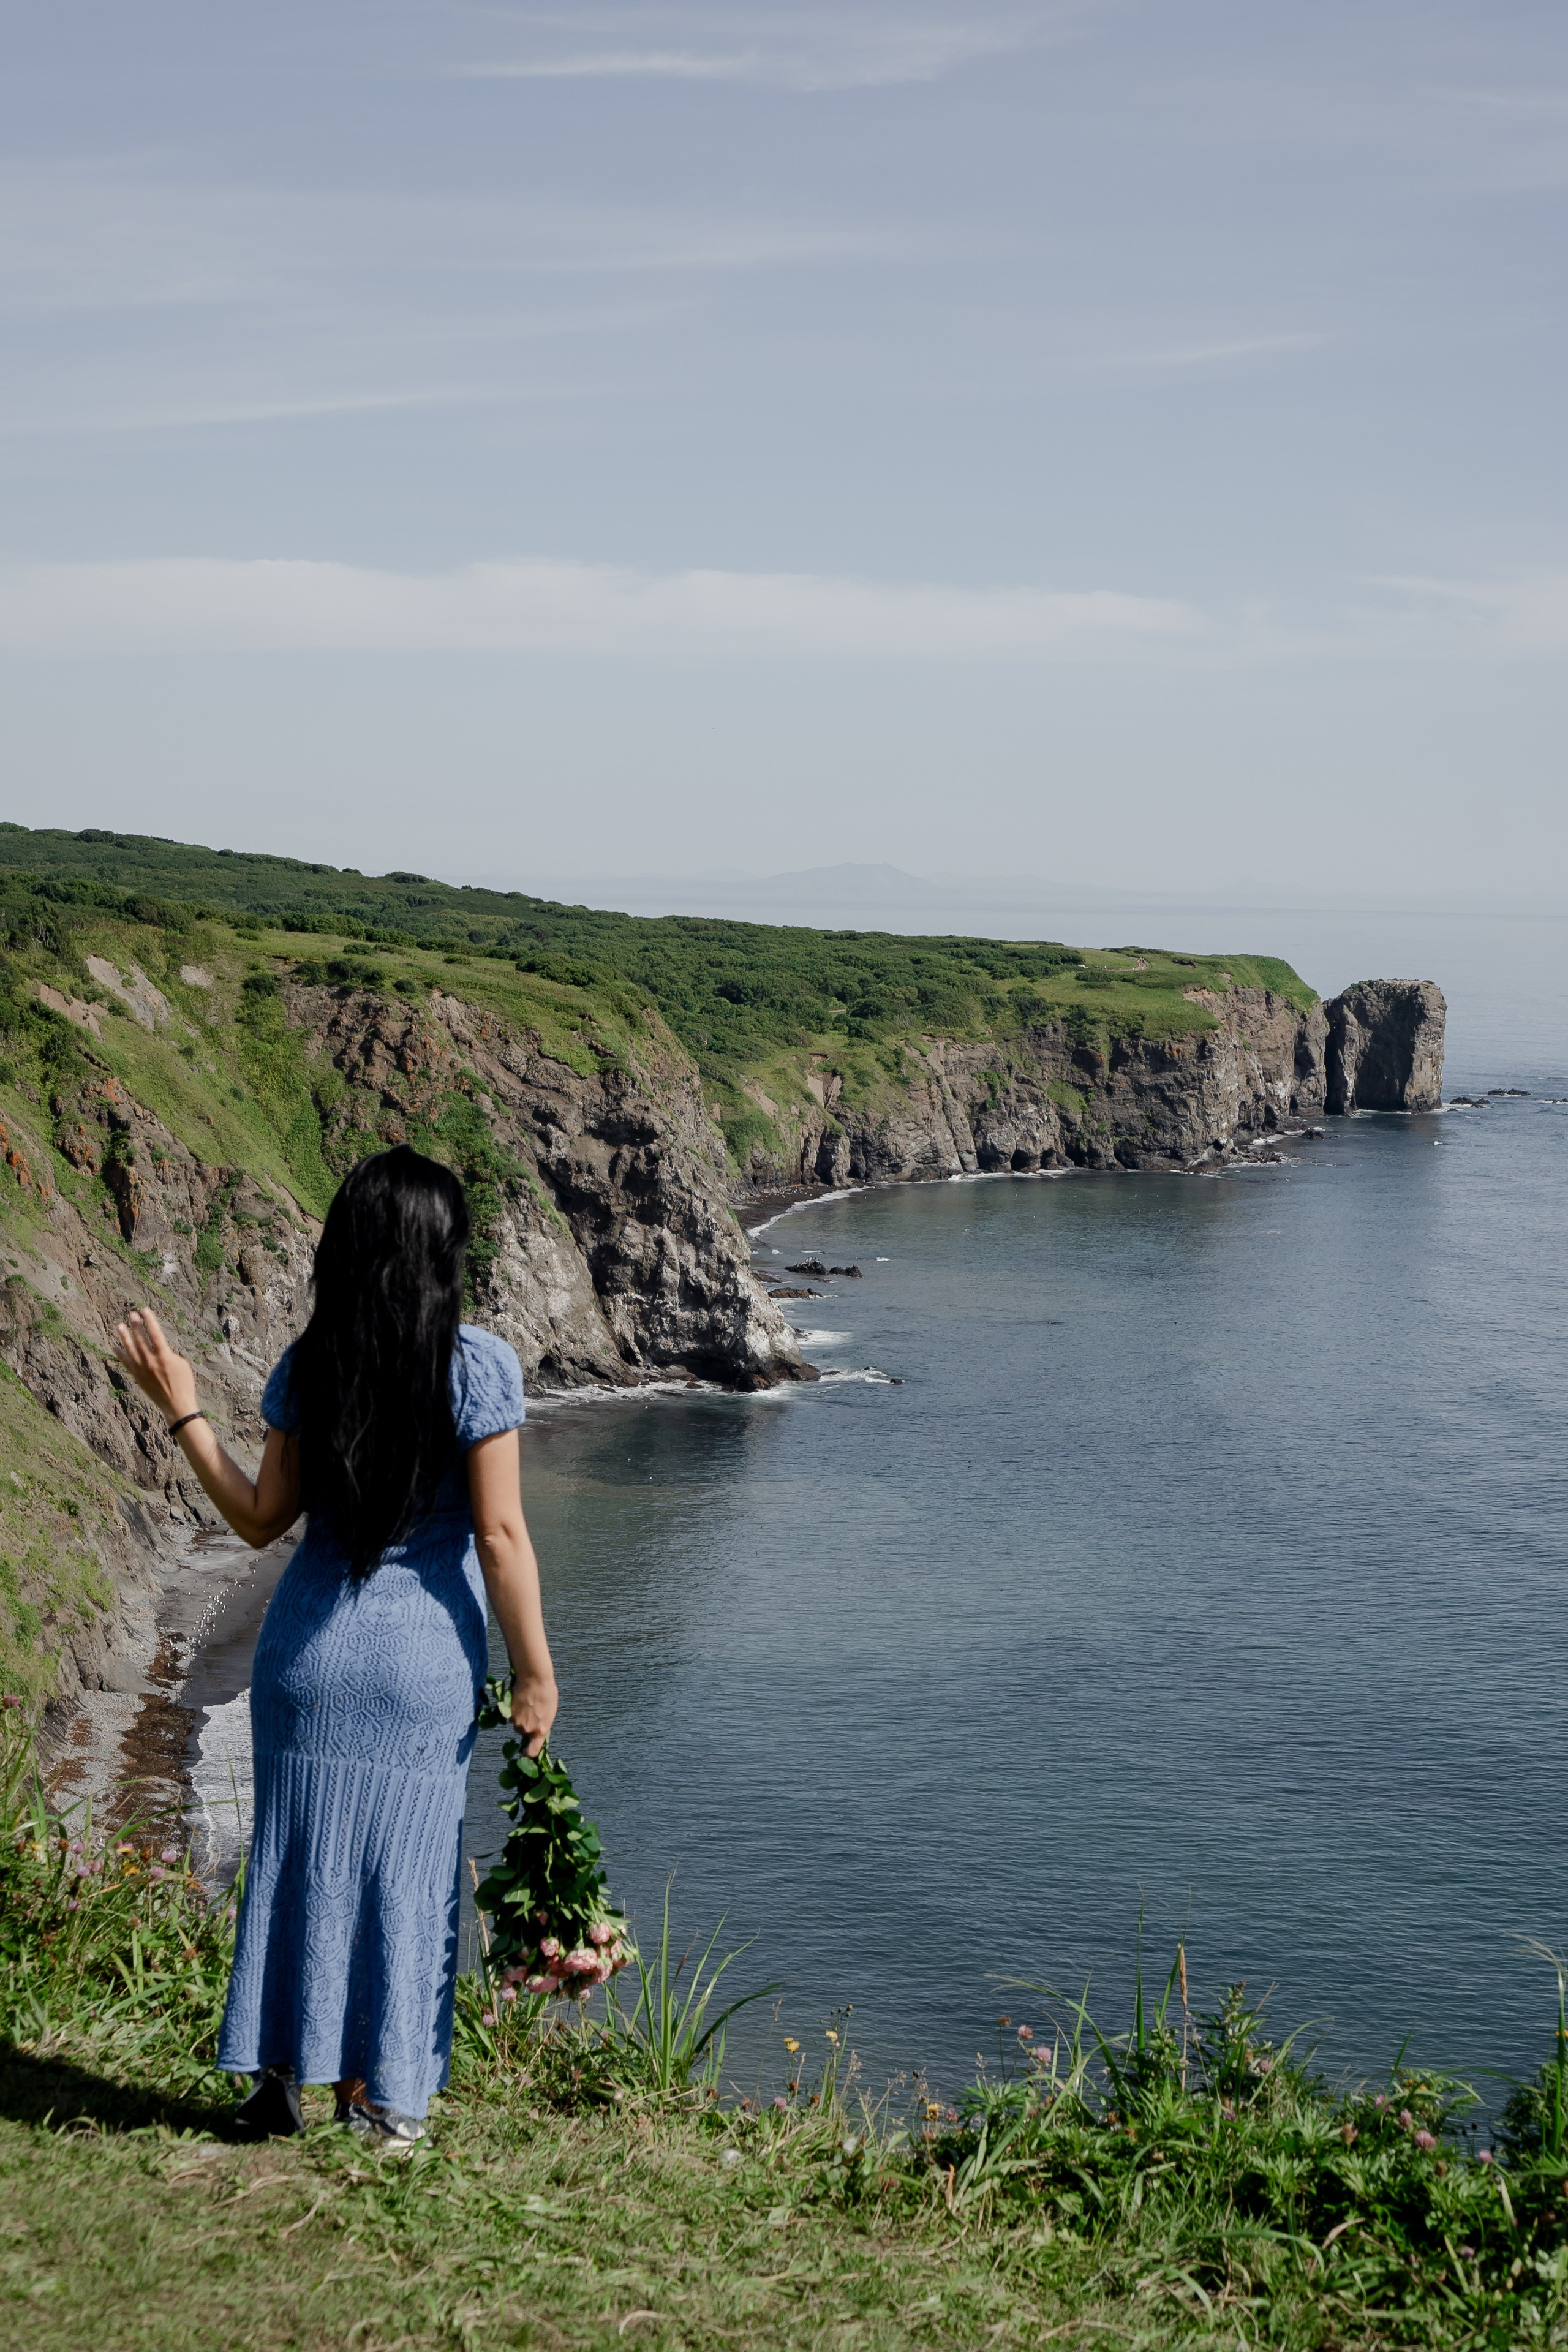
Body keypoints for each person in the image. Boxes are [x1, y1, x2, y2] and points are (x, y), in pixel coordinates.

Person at [112, 1144, 557, 2148]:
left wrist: (183, 1407)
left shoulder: (312, 1366)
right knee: (402, 1879)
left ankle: (275, 2085)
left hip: (306, 1653)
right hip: (419, 1667)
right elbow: (500, 1534)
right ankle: (384, 2102)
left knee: (295, 1864)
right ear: (438, 1255)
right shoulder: (478, 1366)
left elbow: (263, 1520)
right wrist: (535, 1673)